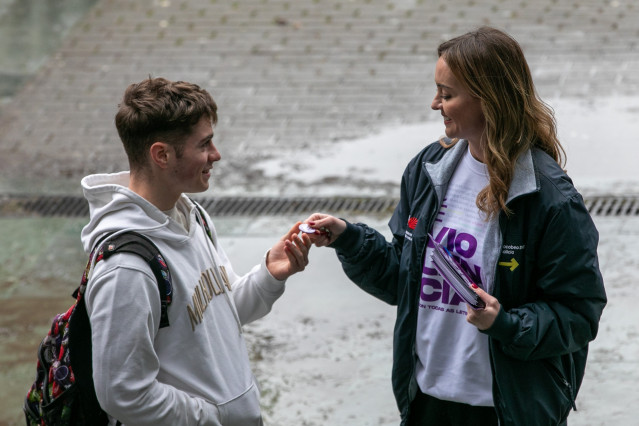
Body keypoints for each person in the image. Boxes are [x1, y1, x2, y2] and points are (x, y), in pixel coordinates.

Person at [303, 27, 606, 426]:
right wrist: (349, 238)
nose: (435, 104)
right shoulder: (428, 170)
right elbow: (403, 277)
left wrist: (505, 324)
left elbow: (578, 316)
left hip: (504, 410)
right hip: (426, 401)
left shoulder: (550, 199)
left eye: (447, 94)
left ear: (488, 100)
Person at [80, 77, 311, 425]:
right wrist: (210, 416)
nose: (216, 155)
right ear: (162, 154)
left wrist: (269, 274)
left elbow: (221, 310)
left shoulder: (191, 216)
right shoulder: (126, 268)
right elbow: (122, 392)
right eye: (204, 144)